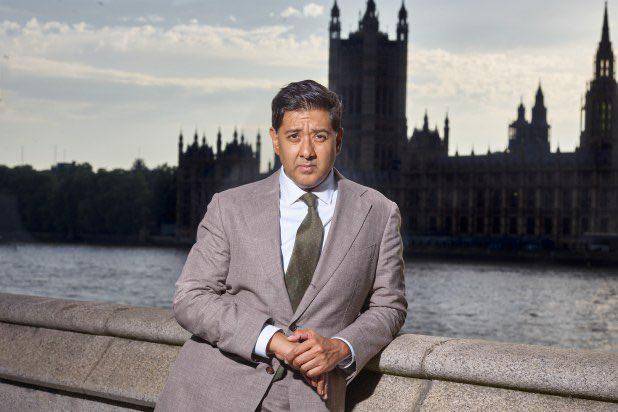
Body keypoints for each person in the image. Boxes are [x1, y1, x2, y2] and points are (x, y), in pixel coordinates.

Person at [155, 79, 407, 411]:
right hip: (212, 392)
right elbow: (190, 297)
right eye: (294, 136)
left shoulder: (379, 212)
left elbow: (390, 308)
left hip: (312, 397)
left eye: (320, 136)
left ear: (339, 140)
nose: (307, 151)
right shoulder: (229, 206)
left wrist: (340, 347)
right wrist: (272, 340)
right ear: (275, 140)